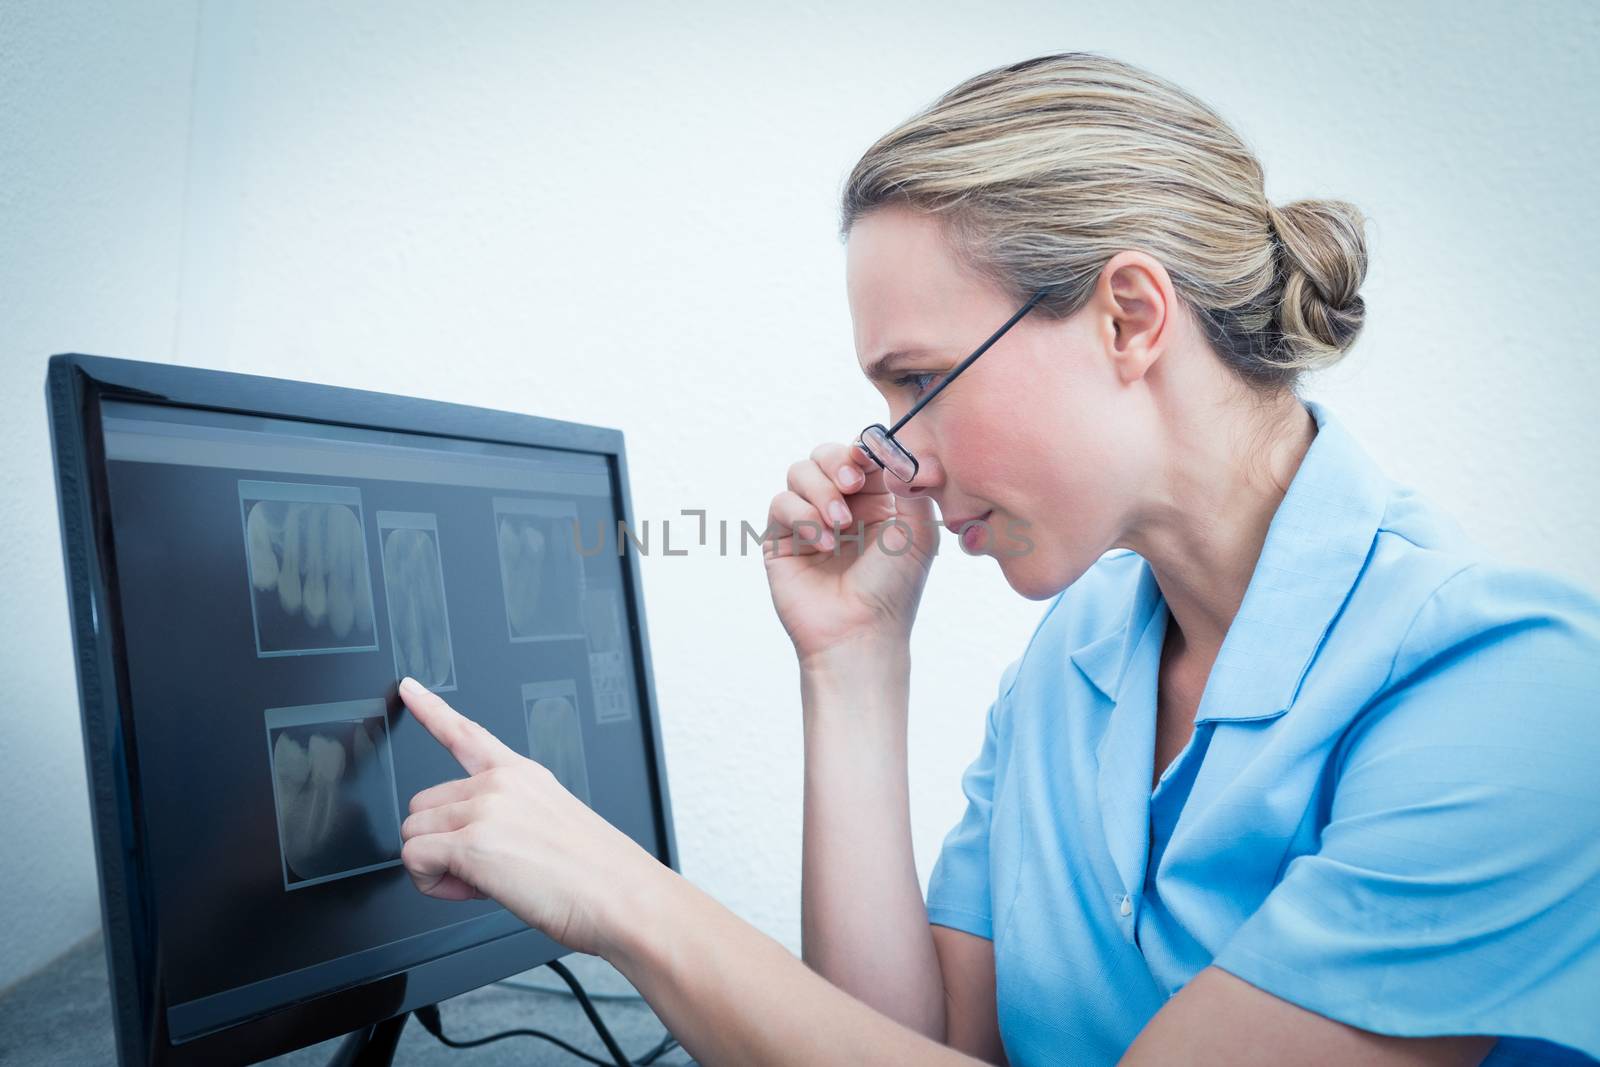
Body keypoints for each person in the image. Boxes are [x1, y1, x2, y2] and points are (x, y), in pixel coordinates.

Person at [395, 52, 1600, 1065]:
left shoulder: (1516, 698)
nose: (896, 456)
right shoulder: (1079, 657)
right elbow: (897, 1041)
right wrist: (853, 661)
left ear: (1129, 316)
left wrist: (624, 894)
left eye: (920, 381)